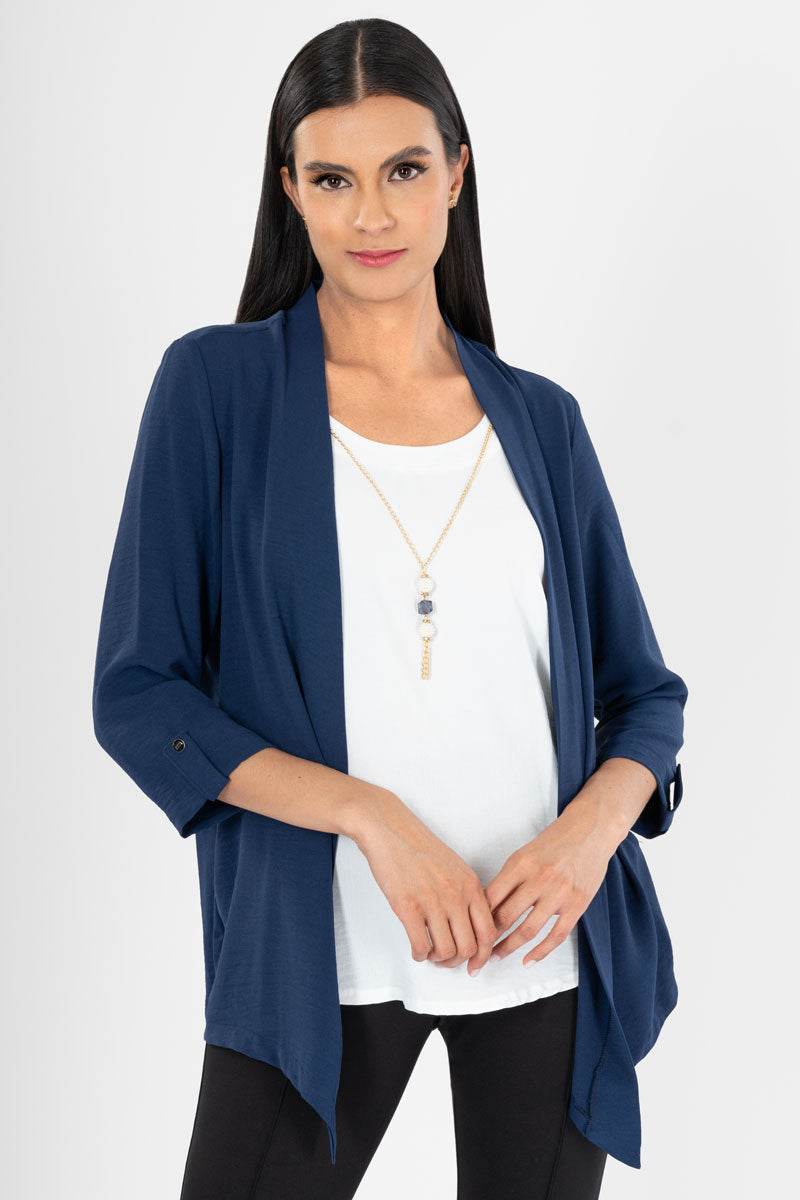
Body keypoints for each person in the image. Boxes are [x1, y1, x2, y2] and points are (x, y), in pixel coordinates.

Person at [92, 17, 687, 1200]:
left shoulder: (540, 421)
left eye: (404, 170)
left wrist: (585, 840)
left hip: (544, 949)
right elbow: (140, 697)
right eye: (333, 179)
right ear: (289, 190)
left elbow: (645, 700)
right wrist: (374, 820)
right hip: (320, 949)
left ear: (455, 174)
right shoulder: (215, 389)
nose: (372, 215)